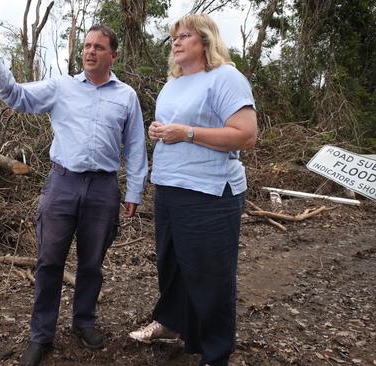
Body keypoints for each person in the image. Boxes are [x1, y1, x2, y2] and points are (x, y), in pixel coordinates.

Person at [0, 21, 148, 366]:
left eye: (99, 47)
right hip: (62, 184)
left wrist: (134, 191)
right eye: (87, 45)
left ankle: (83, 323)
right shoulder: (62, 87)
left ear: (112, 55)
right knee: (50, 261)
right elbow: (18, 97)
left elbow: (135, 146)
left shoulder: (126, 96)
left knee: (91, 264)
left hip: (103, 188)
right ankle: (41, 336)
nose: (90, 51)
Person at [128, 13, 257, 366]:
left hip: (210, 192)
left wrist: (185, 132)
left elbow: (245, 134)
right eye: (175, 37)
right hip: (170, 187)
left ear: (205, 41)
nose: (177, 41)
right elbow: (176, 128)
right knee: (173, 266)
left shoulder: (226, 78)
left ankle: (215, 353)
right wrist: (159, 131)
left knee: (209, 275)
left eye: (185, 35)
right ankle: (171, 323)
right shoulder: (173, 83)